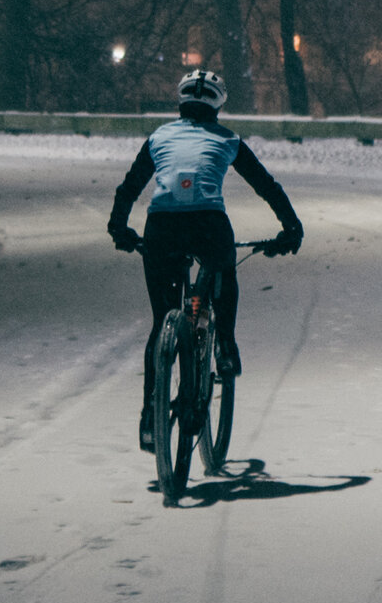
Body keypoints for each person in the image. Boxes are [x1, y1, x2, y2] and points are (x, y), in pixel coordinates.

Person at [108, 68, 302, 449]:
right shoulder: (228, 139)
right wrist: (291, 227)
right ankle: (225, 346)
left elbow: (130, 187)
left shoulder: (159, 136)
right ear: (218, 105)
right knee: (222, 270)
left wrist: (120, 229)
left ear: (181, 102)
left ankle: (150, 417)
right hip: (208, 224)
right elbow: (266, 185)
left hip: (161, 226)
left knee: (161, 319)